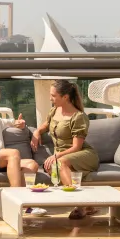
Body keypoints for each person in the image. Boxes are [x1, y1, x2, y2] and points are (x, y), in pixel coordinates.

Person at [31, 79, 100, 220]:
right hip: (63, 157)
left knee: (59, 164)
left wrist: (56, 156)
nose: (50, 98)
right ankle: (88, 205)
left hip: (82, 154)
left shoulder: (78, 117)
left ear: (65, 97)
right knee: (52, 166)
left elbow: (77, 147)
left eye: (53, 96)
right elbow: (46, 125)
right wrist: (37, 132)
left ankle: (78, 204)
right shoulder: (54, 111)